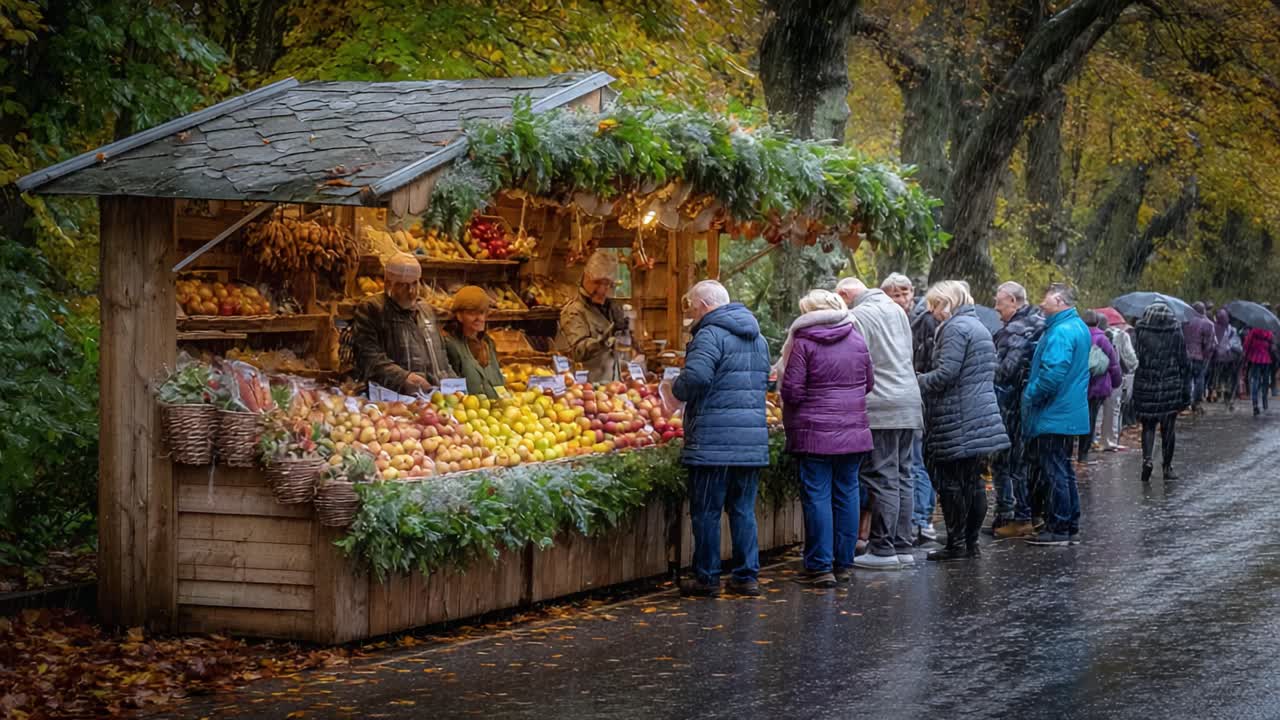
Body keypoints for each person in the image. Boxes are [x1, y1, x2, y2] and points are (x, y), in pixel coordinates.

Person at [672, 280, 770, 597]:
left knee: (707, 511)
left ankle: (708, 577)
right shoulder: (759, 339)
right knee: (742, 509)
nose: (691, 315)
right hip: (750, 439)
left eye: (691, 308)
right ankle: (746, 576)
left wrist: (676, 388)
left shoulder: (710, 334)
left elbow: (697, 376)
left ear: (702, 305)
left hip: (713, 440)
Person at [777, 289, 874, 587]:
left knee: (817, 496)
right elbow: (869, 383)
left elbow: (792, 390)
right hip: (853, 431)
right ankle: (843, 563)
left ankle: (820, 566)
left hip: (814, 432)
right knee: (847, 493)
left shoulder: (804, 342)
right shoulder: (857, 338)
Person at [916, 281, 1009, 561]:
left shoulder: (955, 328)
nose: (932, 312)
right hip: (980, 414)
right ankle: (971, 543)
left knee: (951, 482)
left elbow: (947, 373)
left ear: (948, 302)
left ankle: (956, 543)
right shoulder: (978, 325)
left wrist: (917, 380)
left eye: (935, 305)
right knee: (973, 481)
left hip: (957, 415)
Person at [837, 277, 924, 570]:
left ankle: (883, 548)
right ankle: (902, 543)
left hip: (882, 403)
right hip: (909, 400)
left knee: (882, 474)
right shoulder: (896, 310)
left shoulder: (858, 316)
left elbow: (855, 359)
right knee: (903, 473)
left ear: (845, 294)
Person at [1021, 283, 1091, 547]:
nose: (1041, 303)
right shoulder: (1077, 327)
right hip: (1069, 410)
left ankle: (1058, 526)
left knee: (1054, 471)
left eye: (1046, 298)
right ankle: (1069, 522)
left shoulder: (1060, 332)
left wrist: (1030, 394)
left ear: (1060, 301)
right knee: (1064, 469)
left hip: (1054, 413)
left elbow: (1052, 374)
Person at [881, 272, 937, 544]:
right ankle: (913, 523)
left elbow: (926, 359)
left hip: (914, 396)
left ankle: (920, 520)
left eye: (905, 293)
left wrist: (918, 377)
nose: (903, 299)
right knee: (909, 463)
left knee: (915, 462)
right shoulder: (898, 319)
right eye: (897, 294)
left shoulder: (923, 320)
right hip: (908, 395)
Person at [352, 252, 453, 395]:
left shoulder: (426, 310)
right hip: (392, 399)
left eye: (415, 283)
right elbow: (368, 356)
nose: (411, 291)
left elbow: (441, 355)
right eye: (403, 285)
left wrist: (454, 385)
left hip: (434, 397)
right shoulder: (372, 308)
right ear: (388, 284)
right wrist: (402, 378)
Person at [989, 281, 1044, 539]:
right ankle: (1034, 513)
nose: (996, 307)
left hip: (1011, 406)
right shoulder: (1040, 322)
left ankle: (1017, 516)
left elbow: (1004, 372)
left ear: (1012, 300)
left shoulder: (1016, 330)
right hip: (1032, 403)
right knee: (1030, 461)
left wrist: (987, 365)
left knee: (1010, 461)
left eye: (999, 302)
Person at [1133, 301, 1191, 481]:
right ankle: (1167, 467)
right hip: (1170, 385)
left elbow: (1136, 357)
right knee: (1169, 428)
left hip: (1146, 384)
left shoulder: (1140, 331)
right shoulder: (1175, 330)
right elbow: (1184, 361)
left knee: (1148, 426)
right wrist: (1186, 390)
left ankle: (1148, 459)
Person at [556, 250, 628, 383]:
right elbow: (578, 351)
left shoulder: (612, 308)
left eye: (607, 284)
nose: (602, 289)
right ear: (586, 277)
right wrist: (603, 341)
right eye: (597, 283)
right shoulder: (573, 311)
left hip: (613, 387)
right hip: (585, 390)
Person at [441, 286, 505, 398]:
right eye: (472, 313)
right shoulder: (451, 345)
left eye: (482, 313)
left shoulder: (488, 343)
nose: (479, 318)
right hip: (467, 411)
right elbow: (450, 390)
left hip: (497, 410)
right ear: (459, 316)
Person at [1079, 310, 1122, 463]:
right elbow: (1113, 364)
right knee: (1091, 418)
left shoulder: (1078, 336)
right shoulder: (1102, 339)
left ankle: (1078, 450)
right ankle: (1083, 453)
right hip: (1098, 385)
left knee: (1081, 417)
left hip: (1080, 385)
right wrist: (1116, 382)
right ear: (1097, 323)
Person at [1099, 315, 1138, 450]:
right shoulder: (1122, 336)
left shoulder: (1086, 335)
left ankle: (1094, 439)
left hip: (1094, 377)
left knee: (1095, 410)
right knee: (1114, 409)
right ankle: (1110, 440)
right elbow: (1130, 359)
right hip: (1117, 377)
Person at [1182, 301, 1217, 416]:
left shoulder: (1185, 321)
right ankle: (1196, 402)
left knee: (1187, 379)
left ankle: (1185, 402)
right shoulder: (1208, 324)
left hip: (1186, 355)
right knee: (1199, 379)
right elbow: (1210, 343)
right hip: (1199, 356)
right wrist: (1206, 355)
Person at [1211, 308, 1242, 411]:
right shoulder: (1231, 329)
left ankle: (1221, 393)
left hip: (1220, 358)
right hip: (1228, 358)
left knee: (1220, 376)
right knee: (1226, 377)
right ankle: (1226, 397)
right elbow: (1237, 345)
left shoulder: (1215, 328)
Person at [1243, 324, 1275, 416]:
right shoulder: (1269, 332)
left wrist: (1246, 355)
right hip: (1266, 359)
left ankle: (1255, 404)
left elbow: (1247, 344)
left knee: (1255, 381)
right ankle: (1265, 404)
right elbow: (1271, 345)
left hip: (1256, 358)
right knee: (1265, 382)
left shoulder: (1254, 331)